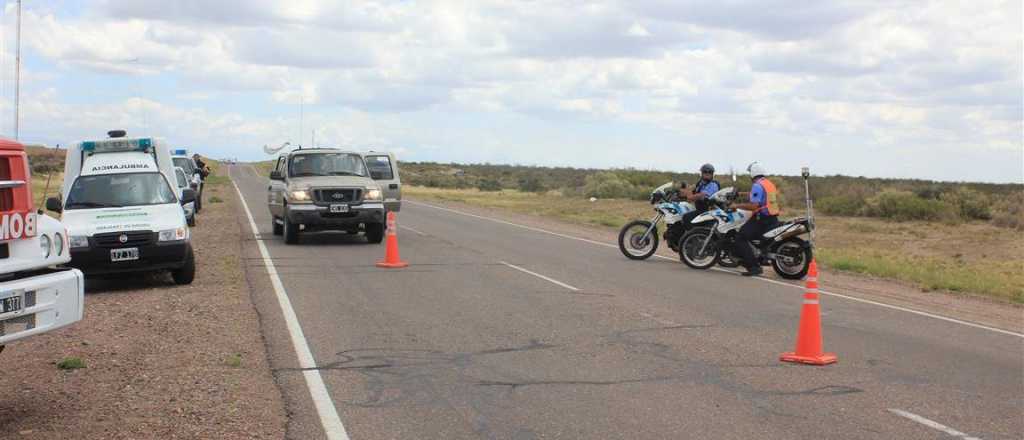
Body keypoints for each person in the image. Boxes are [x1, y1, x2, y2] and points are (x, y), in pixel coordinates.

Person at [731, 162, 781, 276]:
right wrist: (740, 194)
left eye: (750, 173)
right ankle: (758, 256)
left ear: (753, 173)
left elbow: (754, 206)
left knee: (740, 237)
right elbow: (758, 195)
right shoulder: (768, 183)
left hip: (762, 219)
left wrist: (736, 206)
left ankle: (754, 267)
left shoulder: (757, 185)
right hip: (772, 217)